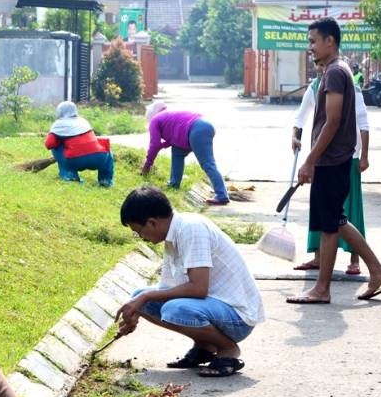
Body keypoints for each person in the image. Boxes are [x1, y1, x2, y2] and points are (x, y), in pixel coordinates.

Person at [287, 17, 381, 304]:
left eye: (313, 41)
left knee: (330, 224)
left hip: (331, 160)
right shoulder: (338, 70)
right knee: (335, 220)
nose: (310, 47)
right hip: (335, 159)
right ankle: (377, 269)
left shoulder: (335, 72)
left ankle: (323, 289)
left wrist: (310, 159)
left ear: (329, 41)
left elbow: (332, 122)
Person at [116, 186, 264, 377]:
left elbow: (198, 289)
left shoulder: (191, 229)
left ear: (152, 223)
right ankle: (205, 346)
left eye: (138, 231)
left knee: (173, 309)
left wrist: (147, 296)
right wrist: (136, 310)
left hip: (238, 317)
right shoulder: (171, 236)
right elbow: (168, 289)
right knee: (139, 298)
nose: (141, 238)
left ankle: (228, 350)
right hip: (213, 308)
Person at [292, 61, 370, 275]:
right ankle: (319, 260)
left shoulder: (346, 84)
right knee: (324, 212)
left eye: (314, 42)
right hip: (322, 157)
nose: (318, 66)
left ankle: (358, 260)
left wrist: (364, 156)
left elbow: (357, 122)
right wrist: (296, 136)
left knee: (344, 212)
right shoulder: (316, 86)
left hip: (344, 157)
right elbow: (301, 117)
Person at [141, 102, 230, 206]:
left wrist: (147, 165)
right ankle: (173, 184)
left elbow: (154, 144)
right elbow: (173, 137)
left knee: (208, 163)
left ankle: (222, 195)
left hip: (197, 130)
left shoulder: (155, 120)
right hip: (201, 126)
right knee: (177, 153)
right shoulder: (167, 115)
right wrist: (162, 146)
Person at [44, 101, 114, 187]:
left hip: (75, 160)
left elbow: (49, 144)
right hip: (98, 158)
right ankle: (105, 181)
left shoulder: (58, 124)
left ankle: (70, 176)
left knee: (56, 147)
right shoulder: (83, 121)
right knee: (106, 150)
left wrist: (61, 140)